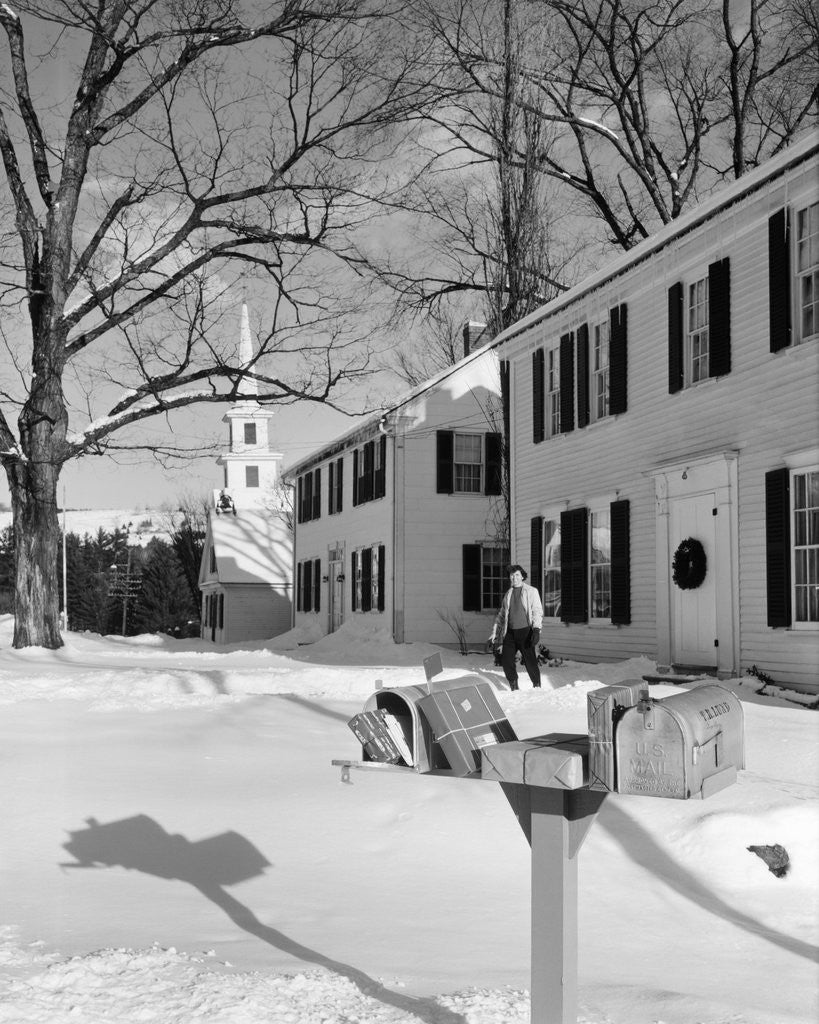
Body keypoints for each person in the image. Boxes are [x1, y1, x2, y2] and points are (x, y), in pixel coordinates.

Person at [489, 564, 543, 690]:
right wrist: (494, 632)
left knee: (530, 662)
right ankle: (514, 686)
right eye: (512, 575)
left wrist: (536, 630)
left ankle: (537, 685)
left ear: (522, 576)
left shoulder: (531, 591)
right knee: (506, 661)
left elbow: (537, 611)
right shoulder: (508, 594)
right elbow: (502, 615)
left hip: (525, 632)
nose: (514, 578)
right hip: (510, 633)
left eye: (517, 575)